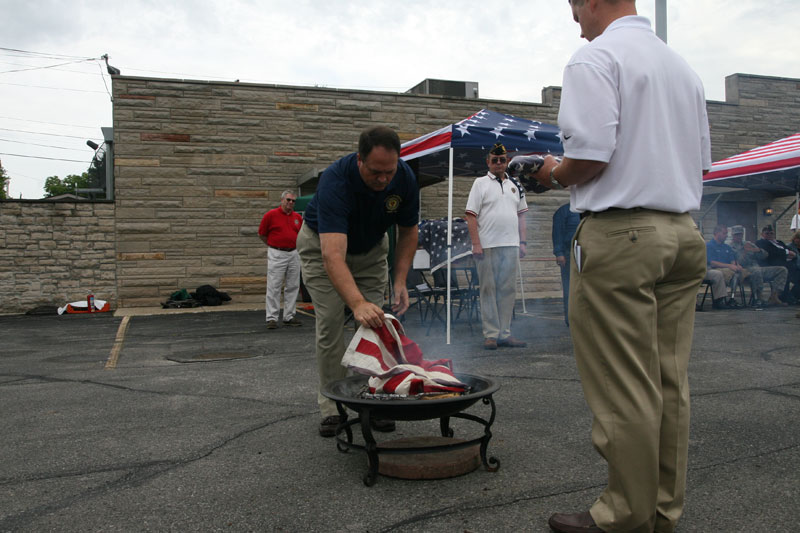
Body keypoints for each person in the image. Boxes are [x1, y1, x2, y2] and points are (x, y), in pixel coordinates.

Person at [532, 1, 711, 531]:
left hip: (622, 235)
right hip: (682, 231)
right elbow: (700, 162)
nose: (574, 20)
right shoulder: (681, 68)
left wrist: (551, 173)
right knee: (668, 380)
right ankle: (660, 509)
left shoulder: (595, 59)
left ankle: (624, 517)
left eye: (573, 6)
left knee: (625, 384)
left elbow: (588, 158)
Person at [297, 126, 419, 438]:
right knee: (331, 323)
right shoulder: (335, 181)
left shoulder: (404, 177)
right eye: (376, 172)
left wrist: (401, 280)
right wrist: (357, 303)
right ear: (359, 160)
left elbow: (408, 232)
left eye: (389, 172)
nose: (383, 180)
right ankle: (332, 407)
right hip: (323, 248)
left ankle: (374, 401)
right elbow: (333, 257)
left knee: (374, 324)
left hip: (371, 250)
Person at [465, 142, 529, 351]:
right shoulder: (480, 183)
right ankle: (491, 334)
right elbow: (470, 215)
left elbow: (522, 215)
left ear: (507, 161)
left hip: (510, 244)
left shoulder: (515, 185)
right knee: (488, 290)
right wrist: (476, 244)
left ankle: (505, 333)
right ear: (488, 162)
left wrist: (522, 242)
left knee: (507, 290)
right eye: (495, 160)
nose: (499, 163)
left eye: (502, 160)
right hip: (487, 245)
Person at [258, 190, 303, 329]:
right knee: (274, 285)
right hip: (277, 252)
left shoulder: (297, 217)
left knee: (293, 285)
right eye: (288, 200)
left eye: (293, 201)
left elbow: (301, 235)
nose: (290, 203)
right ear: (282, 200)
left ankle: (289, 316)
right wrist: (274, 246)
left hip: (294, 253)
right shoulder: (271, 215)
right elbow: (262, 234)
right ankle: (271, 317)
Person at [729, 225, 787, 307]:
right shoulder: (730, 247)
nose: (738, 236)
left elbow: (765, 255)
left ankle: (774, 296)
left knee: (782, 269)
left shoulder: (748, 243)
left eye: (740, 234)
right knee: (756, 271)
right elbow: (738, 262)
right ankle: (759, 298)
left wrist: (758, 250)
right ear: (733, 235)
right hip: (745, 270)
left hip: (757, 267)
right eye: (736, 235)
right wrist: (745, 251)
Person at [552, 202, 581, 325]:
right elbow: (557, 232)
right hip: (569, 254)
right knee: (570, 287)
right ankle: (571, 319)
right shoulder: (563, 211)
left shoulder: (589, 210)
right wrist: (559, 253)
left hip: (589, 253)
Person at [755, 225, 798, 303]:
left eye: (771, 233)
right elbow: (771, 253)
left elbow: (791, 252)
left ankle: (793, 295)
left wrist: (789, 254)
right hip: (770, 265)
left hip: (786, 262)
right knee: (787, 269)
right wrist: (786, 253)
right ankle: (783, 296)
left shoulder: (779, 242)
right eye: (767, 233)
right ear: (762, 234)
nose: (769, 235)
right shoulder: (761, 242)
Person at [705, 224, 743, 309]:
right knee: (719, 274)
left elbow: (732, 260)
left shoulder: (727, 247)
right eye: (724, 233)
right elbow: (712, 263)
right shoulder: (709, 246)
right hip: (712, 269)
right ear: (716, 233)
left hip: (727, 270)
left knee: (738, 272)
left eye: (726, 234)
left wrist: (736, 265)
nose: (726, 236)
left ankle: (732, 298)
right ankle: (719, 300)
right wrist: (729, 266)